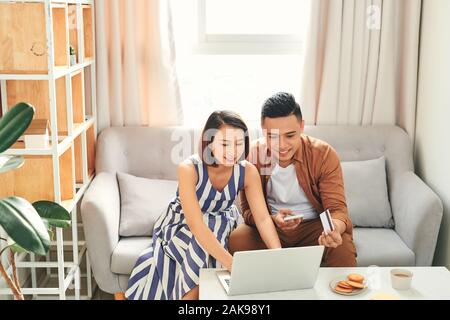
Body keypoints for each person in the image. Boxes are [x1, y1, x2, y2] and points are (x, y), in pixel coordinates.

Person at [125, 111, 282, 300]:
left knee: (213, 231)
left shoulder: (247, 171)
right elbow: (196, 224)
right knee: (201, 243)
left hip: (221, 222)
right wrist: (231, 263)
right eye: (224, 144)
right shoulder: (189, 169)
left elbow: (263, 218)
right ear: (209, 142)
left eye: (239, 144)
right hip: (183, 223)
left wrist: (279, 257)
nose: (232, 151)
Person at [228, 93, 357, 267]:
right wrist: (273, 219)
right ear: (263, 130)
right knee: (237, 240)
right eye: (272, 136)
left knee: (342, 249)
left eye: (290, 135)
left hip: (314, 228)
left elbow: (337, 210)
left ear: (302, 126)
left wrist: (333, 229)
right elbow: (247, 212)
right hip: (270, 227)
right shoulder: (253, 155)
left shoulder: (323, 154)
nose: (281, 145)